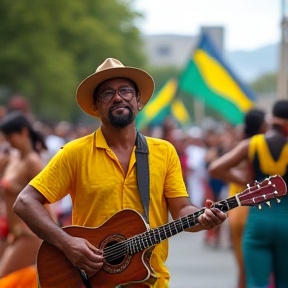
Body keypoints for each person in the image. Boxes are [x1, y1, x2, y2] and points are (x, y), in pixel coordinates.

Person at [13, 58, 227, 288]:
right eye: (107, 93)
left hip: (151, 281)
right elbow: (25, 202)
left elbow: (182, 209)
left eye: (125, 90)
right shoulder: (75, 153)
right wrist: (67, 243)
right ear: (95, 107)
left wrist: (202, 218)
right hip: (89, 281)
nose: (118, 97)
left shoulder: (164, 152)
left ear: (139, 101)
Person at [209, 100, 288, 288]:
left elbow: (215, 168)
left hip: (257, 220)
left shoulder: (253, 144)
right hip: (286, 221)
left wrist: (250, 185)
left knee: (255, 282)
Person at [0, 111, 51, 287]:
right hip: (11, 233)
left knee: (4, 281)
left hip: (28, 234)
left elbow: (47, 201)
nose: (7, 141)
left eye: (9, 136)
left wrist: (55, 235)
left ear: (23, 132)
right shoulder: (11, 160)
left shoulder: (33, 162)